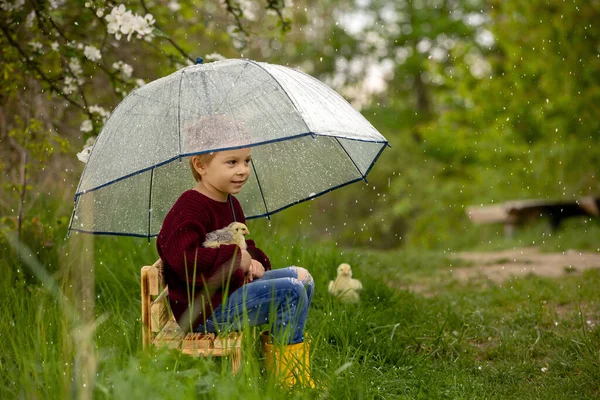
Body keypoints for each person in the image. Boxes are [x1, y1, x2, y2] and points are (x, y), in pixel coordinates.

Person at [156, 143, 314, 386]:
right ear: (201, 165)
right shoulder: (190, 207)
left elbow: (244, 246)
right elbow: (183, 259)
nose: (243, 170)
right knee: (291, 291)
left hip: (229, 291)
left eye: (247, 161)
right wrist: (237, 259)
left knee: (303, 278)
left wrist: (254, 261)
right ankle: (288, 381)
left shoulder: (230, 203)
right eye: (232, 162)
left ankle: (279, 361)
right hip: (204, 307)